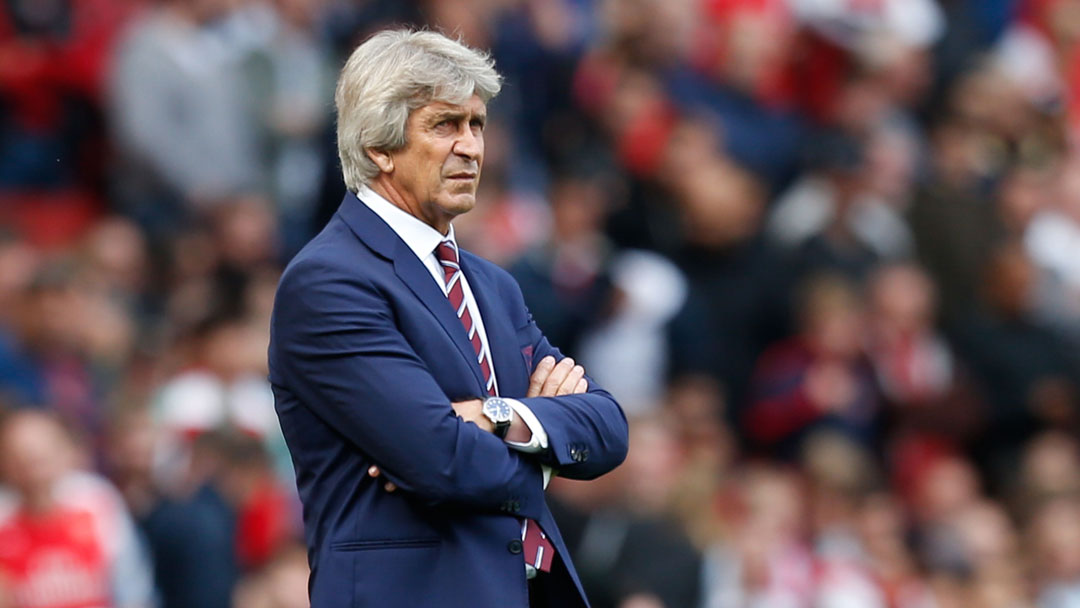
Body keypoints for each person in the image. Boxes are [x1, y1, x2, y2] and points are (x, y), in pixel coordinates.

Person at [267, 29, 629, 608]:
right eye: (444, 126)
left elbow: (608, 427)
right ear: (379, 147)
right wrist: (545, 450)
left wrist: (497, 416)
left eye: (477, 125)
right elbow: (443, 462)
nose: (471, 148)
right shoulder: (330, 282)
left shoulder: (491, 284)